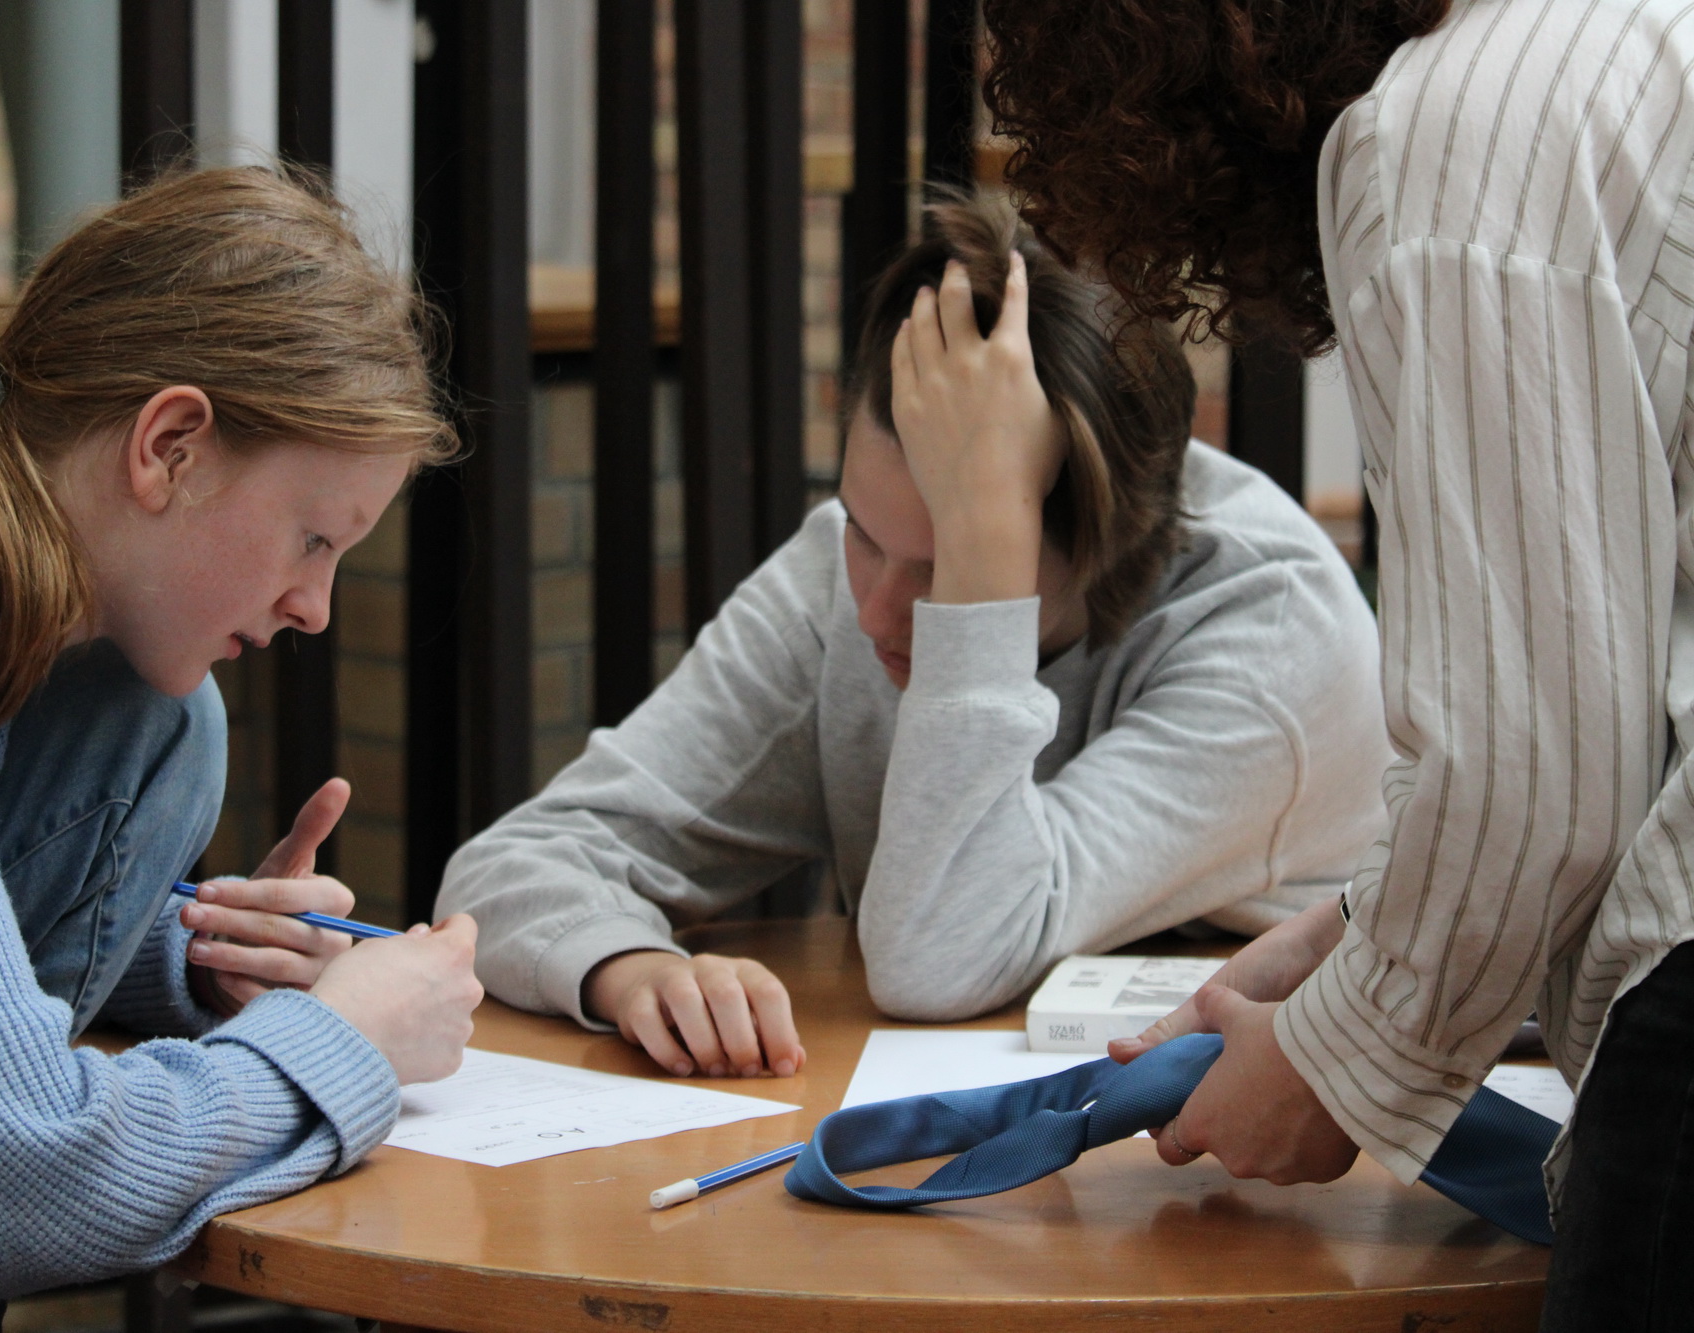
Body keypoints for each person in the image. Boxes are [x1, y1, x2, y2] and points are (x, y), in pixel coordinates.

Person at [978, 0, 1694, 1321]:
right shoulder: (1610, 52)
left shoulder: (1446, 136)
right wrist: (1353, 937)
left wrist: (1337, 1059)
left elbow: (1534, 775)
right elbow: (1623, 685)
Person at [0, 165, 484, 1333]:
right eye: (313, 538)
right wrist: (339, 1042)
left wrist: (198, 962)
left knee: (155, 721)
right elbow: (19, 1189)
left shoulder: (9, 644)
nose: (314, 608)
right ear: (169, 445)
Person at [436, 197, 1391, 1081]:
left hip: (1256, 1158)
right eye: (862, 530)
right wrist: (630, 968)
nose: (877, 615)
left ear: (1106, 546)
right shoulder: (845, 582)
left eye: (943, 566)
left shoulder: (1274, 632)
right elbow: (509, 870)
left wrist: (982, 575)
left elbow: (941, 955)